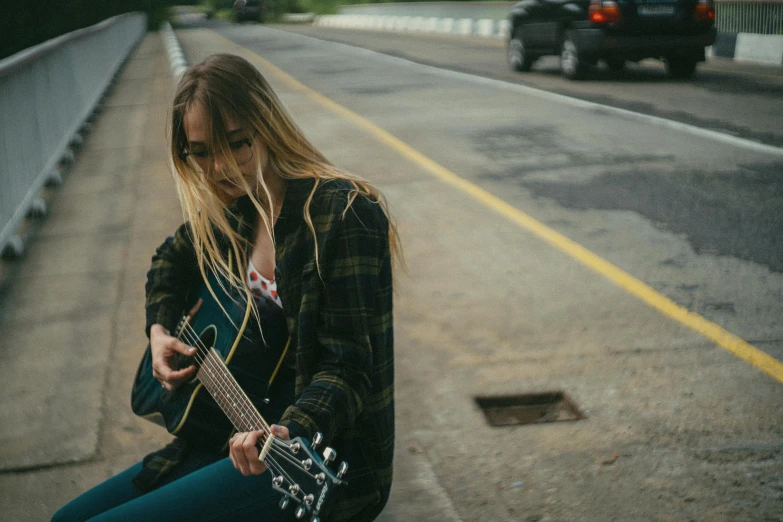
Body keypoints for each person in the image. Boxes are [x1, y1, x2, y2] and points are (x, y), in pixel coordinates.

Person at [53, 53, 400, 522]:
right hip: (227, 429)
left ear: (267, 123)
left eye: (236, 144)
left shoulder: (342, 214)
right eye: (200, 152)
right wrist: (158, 330)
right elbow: (169, 261)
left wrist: (284, 431)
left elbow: (350, 367)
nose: (218, 168)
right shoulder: (235, 209)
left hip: (312, 459)